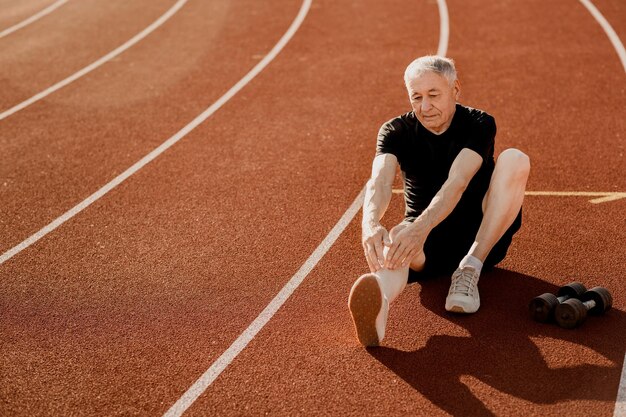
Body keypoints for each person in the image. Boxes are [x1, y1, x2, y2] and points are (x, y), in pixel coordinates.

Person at [348, 55, 530, 347]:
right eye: (416, 97)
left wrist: (421, 226)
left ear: (455, 90)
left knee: (515, 160)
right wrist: (370, 224)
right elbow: (380, 181)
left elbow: (457, 182)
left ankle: (470, 268)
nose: (424, 106)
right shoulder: (395, 131)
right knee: (395, 238)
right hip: (428, 243)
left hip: (481, 232)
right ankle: (380, 300)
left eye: (434, 95)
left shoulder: (479, 124)